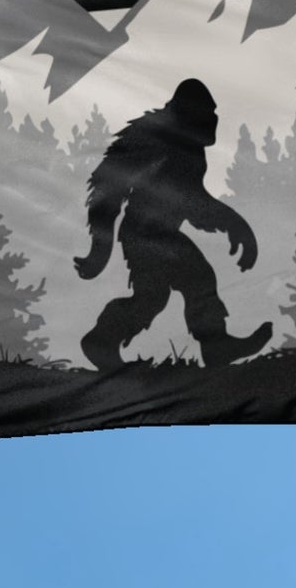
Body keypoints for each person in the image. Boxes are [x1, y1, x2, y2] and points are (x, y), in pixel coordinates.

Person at [76, 78, 274, 371]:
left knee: (156, 296)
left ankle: (105, 340)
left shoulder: (189, 147)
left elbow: (192, 201)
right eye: (207, 114)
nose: (213, 121)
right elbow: (109, 185)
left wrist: (235, 225)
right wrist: (99, 248)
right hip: (145, 235)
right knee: (188, 283)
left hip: (162, 233)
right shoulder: (156, 136)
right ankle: (104, 341)